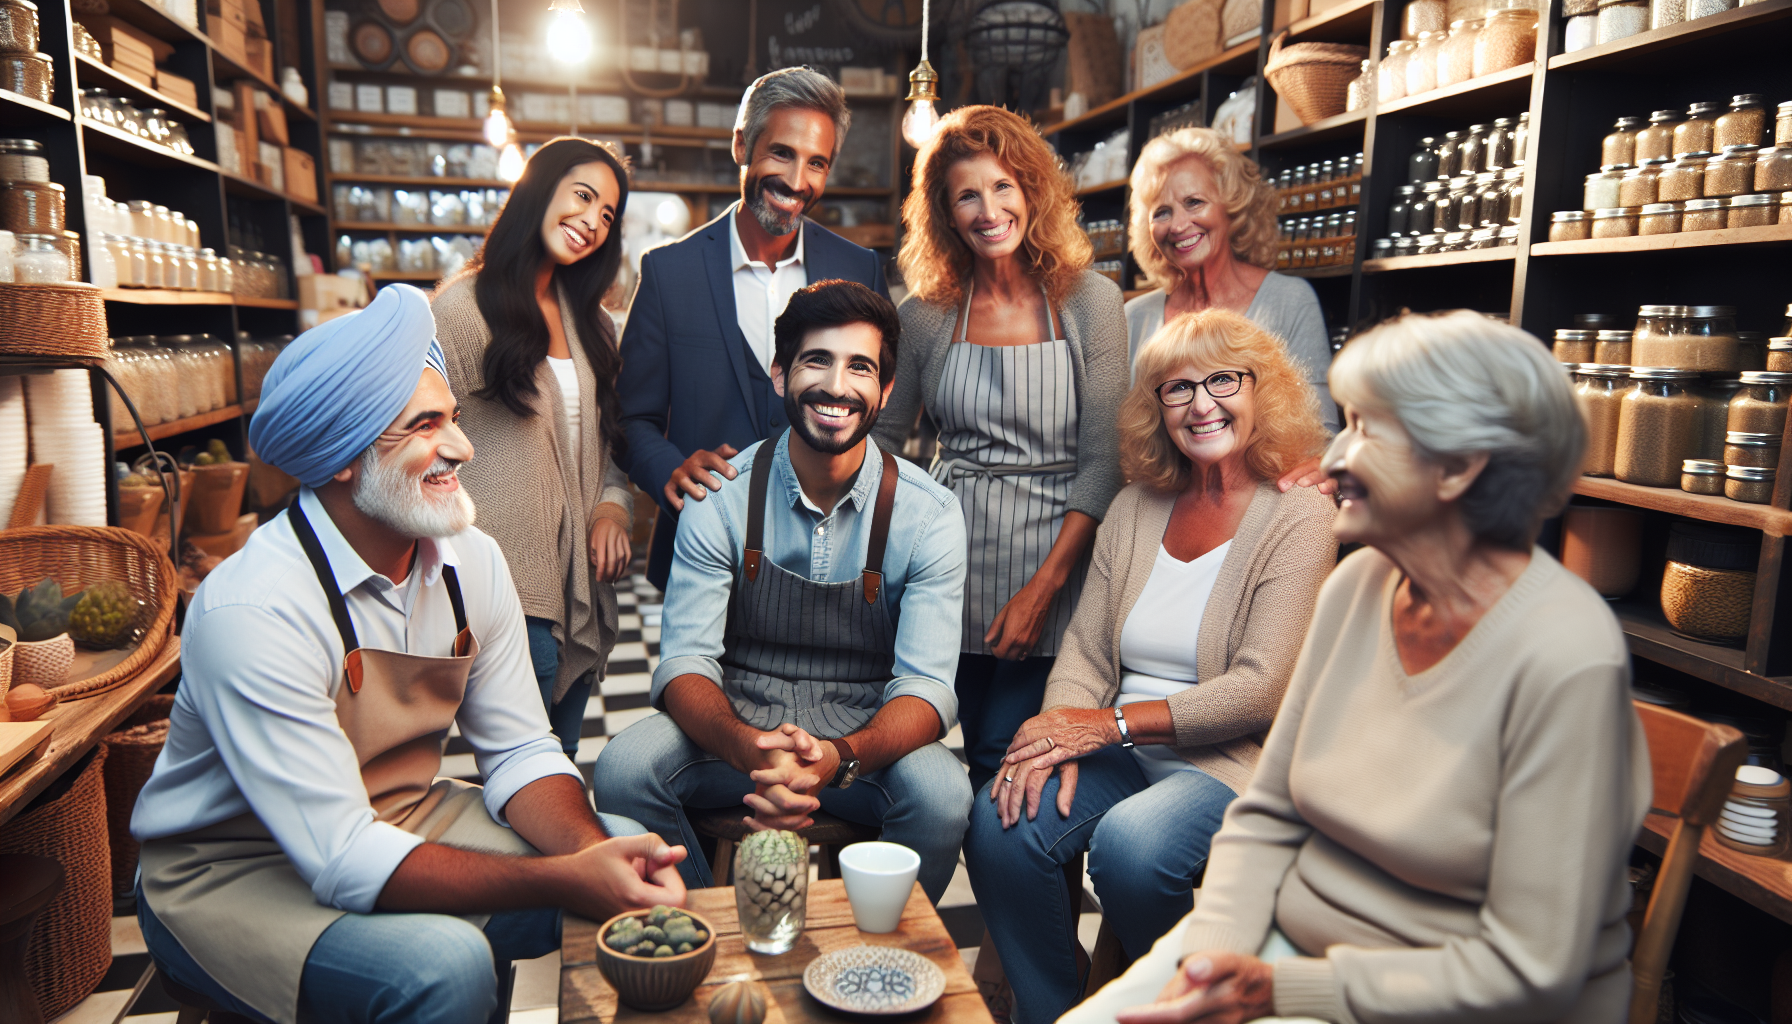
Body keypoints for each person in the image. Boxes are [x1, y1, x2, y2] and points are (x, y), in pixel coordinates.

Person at [1063, 310, 1651, 1024]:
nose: (1332, 459)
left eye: (1368, 431)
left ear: (1459, 467)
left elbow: (1530, 969)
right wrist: (1212, 960)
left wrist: (1279, 991)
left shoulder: (1565, 652)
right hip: (1283, 951)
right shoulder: (1359, 584)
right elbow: (1268, 814)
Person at [130, 285, 687, 1024]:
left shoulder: (471, 560)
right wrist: (560, 879)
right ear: (342, 460)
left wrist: (587, 857)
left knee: (621, 846)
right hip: (231, 871)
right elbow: (341, 855)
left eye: (452, 418)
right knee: (443, 966)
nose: (462, 447)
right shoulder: (254, 609)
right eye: (425, 426)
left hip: (399, 814)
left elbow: (521, 747)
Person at [963, 310, 1335, 1024]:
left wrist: (1103, 727)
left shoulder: (1300, 516)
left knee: (1133, 850)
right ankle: (1051, 1010)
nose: (1201, 404)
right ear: (1155, 408)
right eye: (1176, 389)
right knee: (1001, 817)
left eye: (1223, 380)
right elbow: (1087, 652)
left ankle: (1177, 999)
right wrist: (1054, 735)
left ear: (1263, 391)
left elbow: (1260, 691)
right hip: (1126, 746)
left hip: (1231, 761)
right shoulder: (1135, 508)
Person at [592, 280, 973, 902]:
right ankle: (701, 927)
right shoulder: (720, 497)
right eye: (816, 360)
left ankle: (872, 945)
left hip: (862, 739)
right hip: (735, 725)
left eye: (861, 367)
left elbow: (926, 690)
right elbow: (686, 664)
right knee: (624, 770)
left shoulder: (930, 515)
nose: (837, 386)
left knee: (943, 796)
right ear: (779, 374)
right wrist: (749, 748)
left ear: (887, 391)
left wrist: (839, 757)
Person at [873, 104, 1128, 791]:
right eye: (967, 195)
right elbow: (883, 446)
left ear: (1032, 191)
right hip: (944, 565)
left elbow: (1105, 460)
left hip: (1053, 564)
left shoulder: (1090, 303)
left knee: (1006, 752)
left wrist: (1042, 592)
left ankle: (1013, 893)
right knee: (913, 754)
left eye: (1002, 187)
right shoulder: (924, 314)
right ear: (945, 214)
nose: (988, 210)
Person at [618, 66, 890, 591]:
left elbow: (874, 402)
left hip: (829, 559)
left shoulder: (860, 269)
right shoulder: (668, 273)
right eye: (782, 153)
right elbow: (631, 419)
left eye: (817, 163)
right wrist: (670, 468)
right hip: (704, 554)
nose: (796, 181)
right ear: (742, 144)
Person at [434, 137, 634, 760]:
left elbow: (611, 438)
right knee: (525, 764)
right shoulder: (462, 309)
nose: (592, 221)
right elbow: (419, 443)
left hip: (579, 569)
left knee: (561, 754)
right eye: (582, 195)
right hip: (504, 575)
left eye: (608, 214)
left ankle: (551, 859)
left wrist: (613, 504)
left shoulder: (592, 323)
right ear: (537, 189)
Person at [1122, 127, 1336, 427]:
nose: (1178, 225)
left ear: (1232, 207)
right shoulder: (1134, 317)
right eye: (1162, 212)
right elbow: (1118, 440)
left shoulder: (1290, 300)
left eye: (1194, 202)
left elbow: (1320, 431)